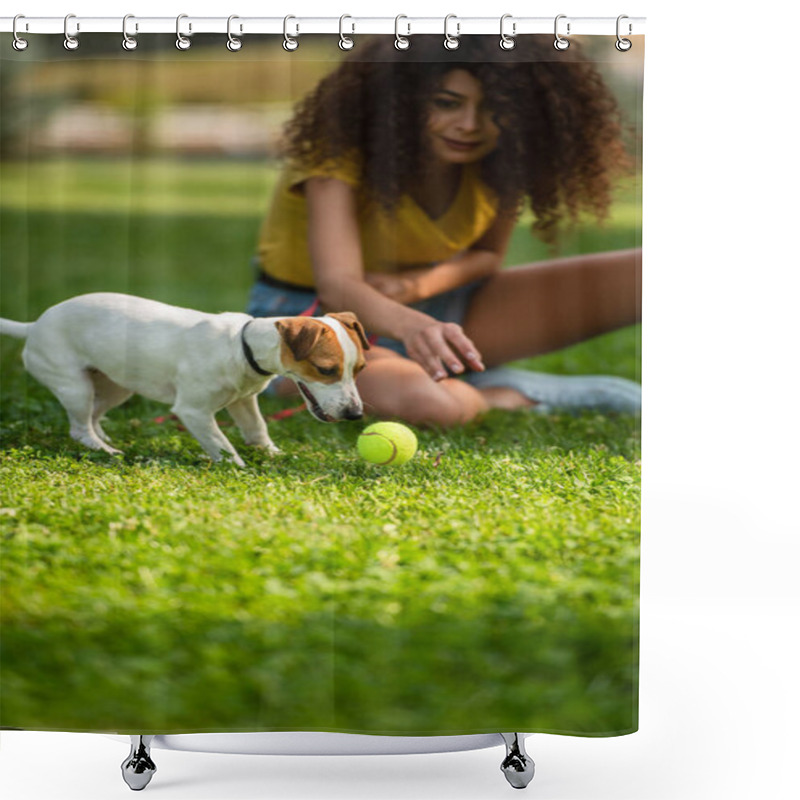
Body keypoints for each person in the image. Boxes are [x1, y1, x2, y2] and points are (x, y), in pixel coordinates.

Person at [247, 35, 641, 427]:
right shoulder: (335, 152)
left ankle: (455, 369)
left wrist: (415, 288)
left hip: (444, 309)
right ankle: (504, 394)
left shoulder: (502, 158)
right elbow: (338, 286)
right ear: (401, 98)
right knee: (430, 406)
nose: (470, 125)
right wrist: (412, 325)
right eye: (446, 103)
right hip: (317, 326)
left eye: (493, 110)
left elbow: (486, 257)